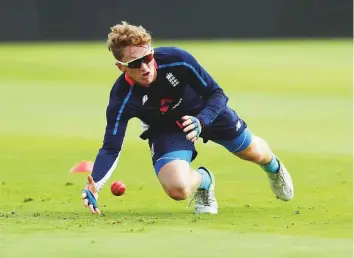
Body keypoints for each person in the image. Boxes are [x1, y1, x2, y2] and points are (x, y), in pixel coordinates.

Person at [81, 21, 294, 215]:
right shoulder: (121, 98)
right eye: (135, 64)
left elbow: (217, 94)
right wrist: (96, 184)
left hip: (205, 110)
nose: (145, 67)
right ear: (121, 67)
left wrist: (202, 120)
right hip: (166, 128)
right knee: (178, 189)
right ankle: (205, 181)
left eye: (147, 58)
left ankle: (274, 168)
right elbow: (111, 147)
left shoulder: (177, 60)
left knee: (254, 152)